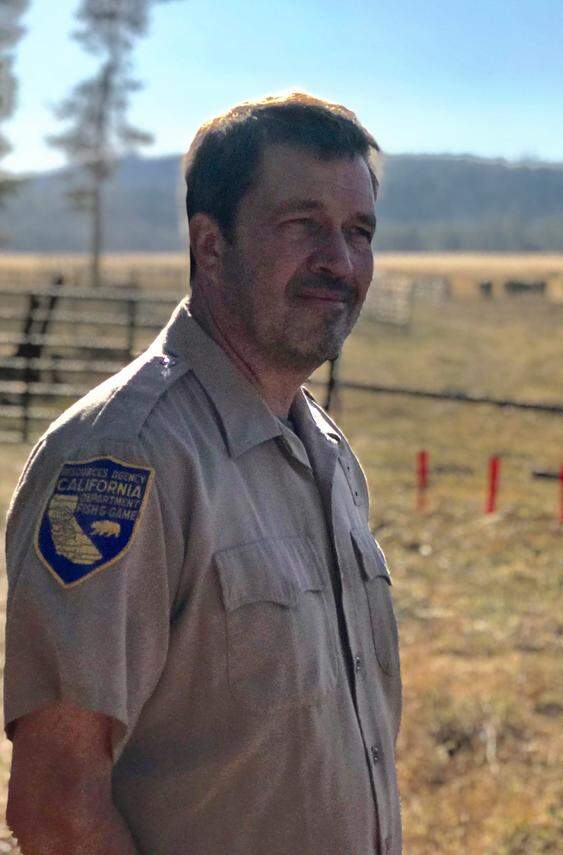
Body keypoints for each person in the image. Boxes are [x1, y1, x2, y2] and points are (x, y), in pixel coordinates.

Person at [3, 93, 402, 854]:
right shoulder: (122, 458)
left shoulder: (325, 451)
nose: (341, 262)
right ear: (210, 245)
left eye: (359, 231)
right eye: (303, 225)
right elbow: (57, 809)